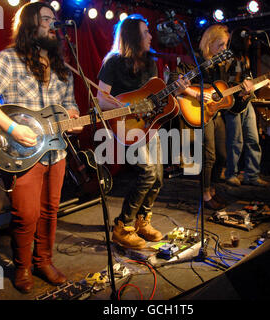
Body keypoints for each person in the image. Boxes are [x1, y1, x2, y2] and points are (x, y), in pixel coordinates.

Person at [0, 2, 82, 293]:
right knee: (26, 214)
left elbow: (70, 106)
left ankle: (44, 260)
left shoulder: (62, 67)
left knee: (51, 210)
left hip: (56, 149)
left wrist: (74, 118)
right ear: (29, 24)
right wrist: (12, 127)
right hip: (21, 150)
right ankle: (23, 267)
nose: (52, 25)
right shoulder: (8, 59)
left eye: (54, 20)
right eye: (45, 19)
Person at [96, 14, 189, 249]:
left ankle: (142, 221)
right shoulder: (113, 62)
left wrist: (175, 91)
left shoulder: (150, 62)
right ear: (133, 36)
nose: (150, 36)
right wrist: (124, 107)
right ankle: (123, 226)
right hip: (128, 126)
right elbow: (101, 98)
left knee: (158, 177)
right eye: (145, 32)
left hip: (151, 127)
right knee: (147, 173)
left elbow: (155, 97)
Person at [172, 24, 236, 210]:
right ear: (210, 42)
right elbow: (174, 81)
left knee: (223, 156)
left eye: (225, 45)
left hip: (214, 113)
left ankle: (213, 189)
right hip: (199, 112)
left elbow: (223, 89)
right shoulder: (193, 61)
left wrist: (244, 91)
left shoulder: (219, 65)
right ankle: (205, 194)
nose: (224, 49)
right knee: (209, 155)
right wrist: (196, 94)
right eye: (221, 45)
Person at [224, 27, 269, 187]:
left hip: (246, 102)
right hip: (233, 104)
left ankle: (252, 175)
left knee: (252, 139)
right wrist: (239, 91)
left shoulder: (245, 58)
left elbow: (247, 80)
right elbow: (225, 82)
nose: (250, 42)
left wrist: (262, 82)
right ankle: (231, 174)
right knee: (235, 141)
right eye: (248, 39)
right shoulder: (228, 57)